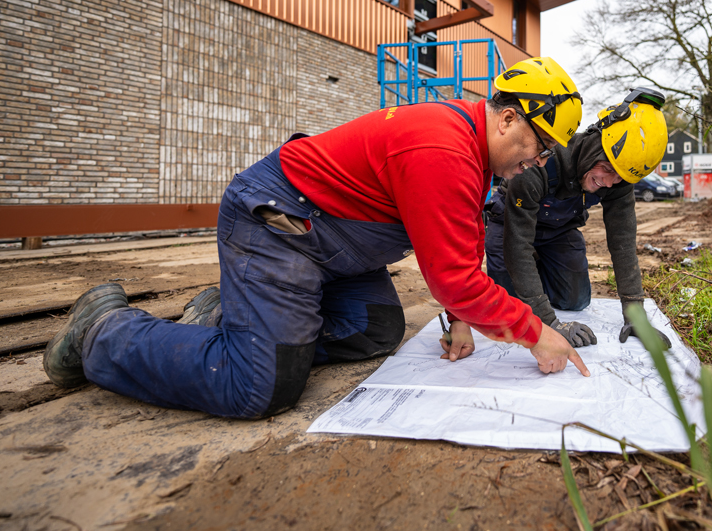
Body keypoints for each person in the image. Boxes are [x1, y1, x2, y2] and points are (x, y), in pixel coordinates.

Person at [43, 57, 588, 419]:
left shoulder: (469, 153)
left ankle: (226, 318)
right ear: (509, 118)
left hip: (330, 246)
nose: (534, 163)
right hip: (278, 225)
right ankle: (105, 331)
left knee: (375, 329)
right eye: (537, 148)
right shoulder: (442, 149)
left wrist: (465, 319)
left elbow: (462, 243)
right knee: (260, 387)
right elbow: (452, 279)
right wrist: (534, 331)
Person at [485, 87, 672, 348]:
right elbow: (517, 246)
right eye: (605, 168)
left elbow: (623, 243)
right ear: (594, 145)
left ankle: (537, 274)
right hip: (509, 226)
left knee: (576, 301)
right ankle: (529, 280)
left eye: (618, 177)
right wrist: (548, 324)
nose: (608, 182)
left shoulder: (618, 178)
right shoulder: (541, 161)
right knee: (511, 308)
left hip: (558, 231)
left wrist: (635, 312)